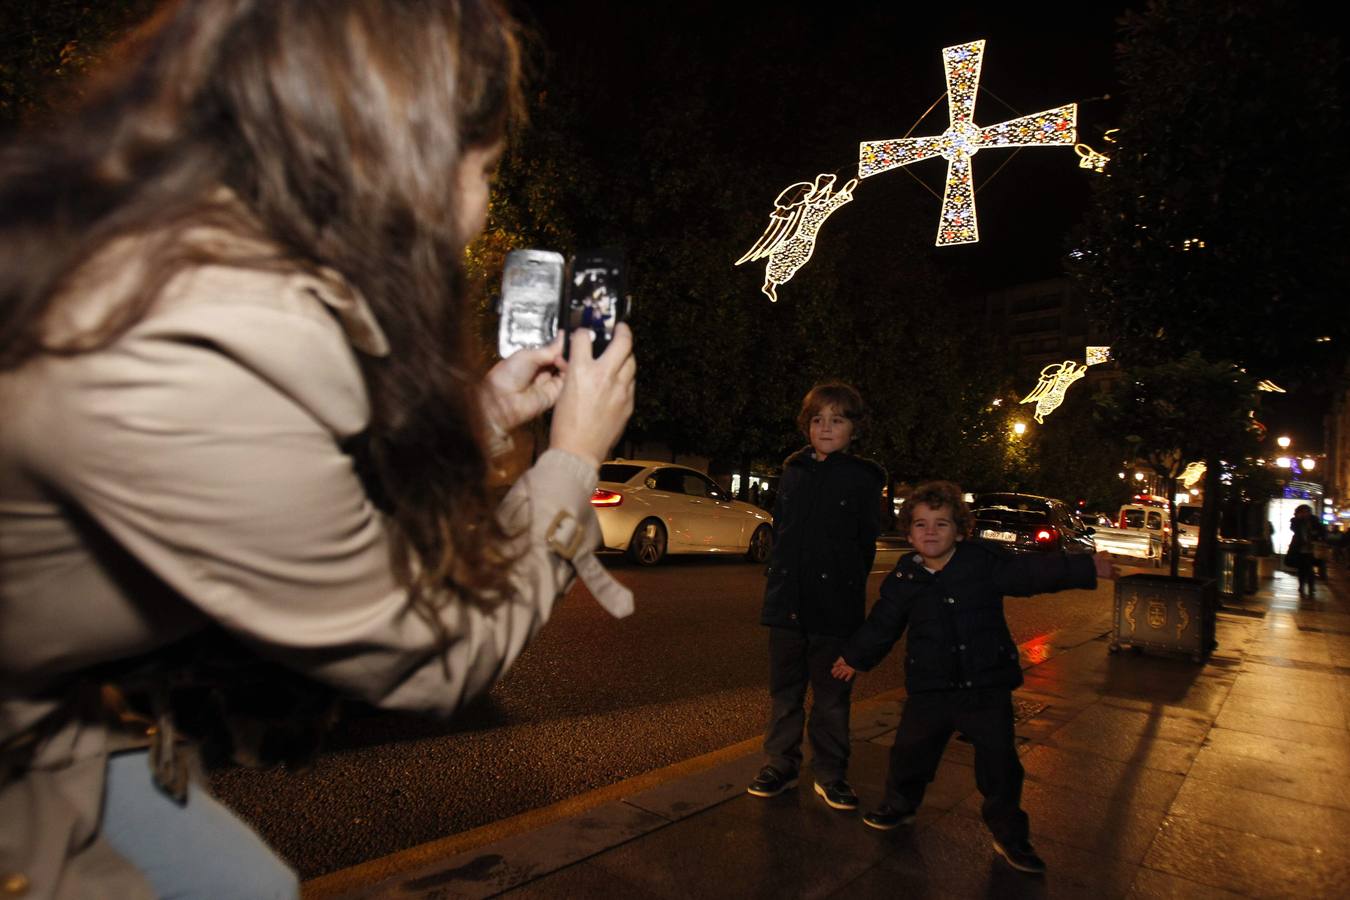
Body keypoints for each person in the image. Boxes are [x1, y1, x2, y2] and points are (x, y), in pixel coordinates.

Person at [0, 2, 636, 897]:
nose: (483, 199)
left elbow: (304, 480)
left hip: (65, 724)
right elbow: (425, 651)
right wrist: (570, 459)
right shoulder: (194, 357)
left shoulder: (182, 245)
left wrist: (483, 415)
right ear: (405, 165)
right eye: (486, 167)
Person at [831, 481, 1116, 875]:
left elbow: (1030, 574)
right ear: (909, 532)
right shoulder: (905, 578)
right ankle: (900, 805)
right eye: (920, 524)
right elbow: (883, 623)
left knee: (999, 764)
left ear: (960, 531)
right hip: (930, 689)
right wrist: (855, 656)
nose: (930, 531)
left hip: (986, 687)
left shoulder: (982, 562)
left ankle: (1010, 834)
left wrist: (1086, 566)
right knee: (910, 753)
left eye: (941, 524)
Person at [747, 382, 885, 811]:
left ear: (854, 429)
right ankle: (781, 764)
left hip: (834, 609)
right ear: (806, 425)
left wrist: (843, 589)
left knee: (831, 698)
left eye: (837, 420)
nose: (826, 428)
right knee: (785, 692)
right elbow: (784, 528)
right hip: (787, 603)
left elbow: (865, 543)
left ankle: (830, 772)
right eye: (817, 419)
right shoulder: (793, 470)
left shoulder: (864, 478)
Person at [1288, 504, 1324, 597]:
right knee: (1301, 569)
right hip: (1299, 549)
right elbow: (1293, 528)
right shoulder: (1296, 521)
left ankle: (1311, 589)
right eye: (1303, 512)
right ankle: (1301, 586)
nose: (1305, 513)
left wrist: (1316, 534)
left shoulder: (1314, 521)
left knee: (1310, 569)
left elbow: (1322, 531)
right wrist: (1298, 519)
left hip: (1311, 549)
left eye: (1307, 511)